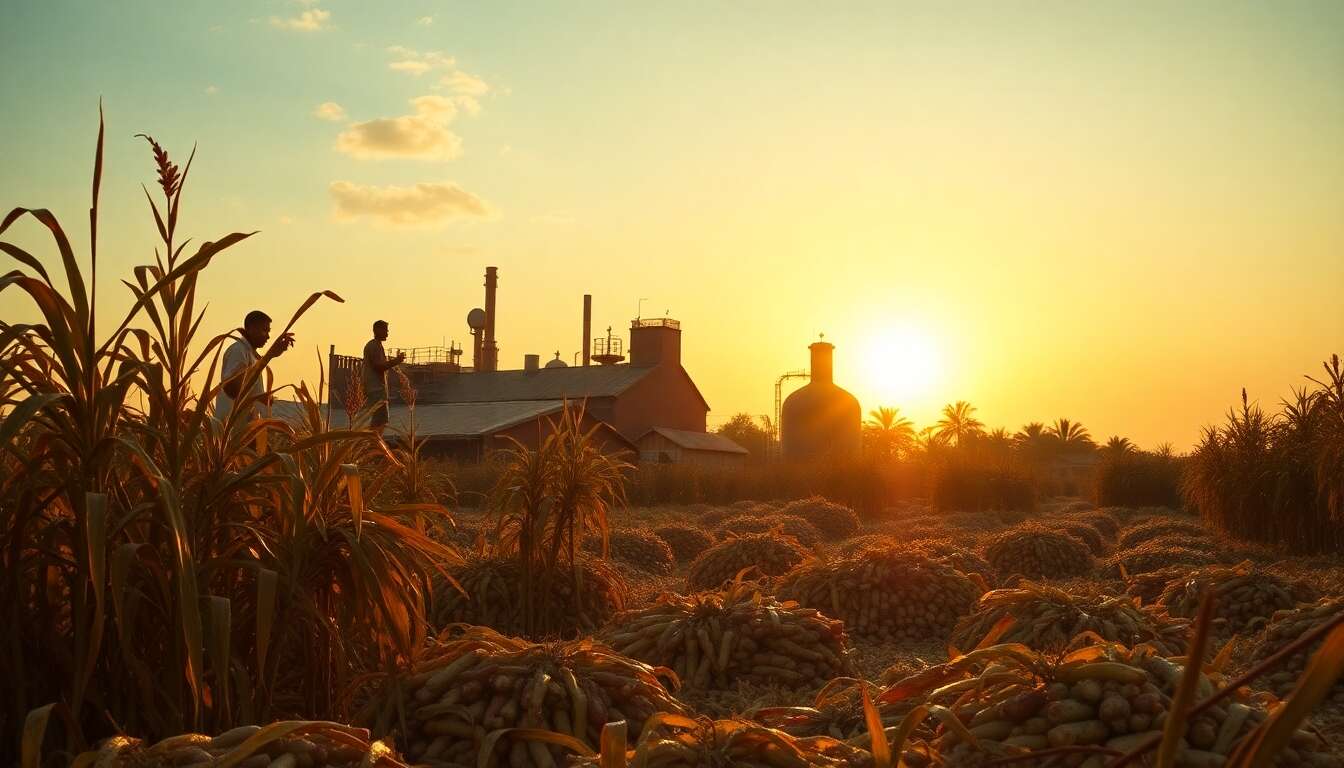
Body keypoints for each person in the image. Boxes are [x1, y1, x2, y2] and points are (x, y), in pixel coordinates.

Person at [216, 310, 295, 422]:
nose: (268, 337)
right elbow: (232, 389)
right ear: (251, 329)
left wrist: (262, 398)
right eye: (264, 330)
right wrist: (259, 397)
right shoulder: (238, 351)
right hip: (231, 431)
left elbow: (246, 385)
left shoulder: (251, 355)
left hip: (244, 429)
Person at [363, 320, 406, 438]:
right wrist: (396, 361)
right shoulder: (373, 346)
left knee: (381, 420)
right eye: (385, 330)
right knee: (379, 420)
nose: (387, 333)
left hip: (378, 390)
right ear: (377, 330)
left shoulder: (377, 346)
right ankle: (373, 444)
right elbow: (378, 366)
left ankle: (375, 442)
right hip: (375, 390)